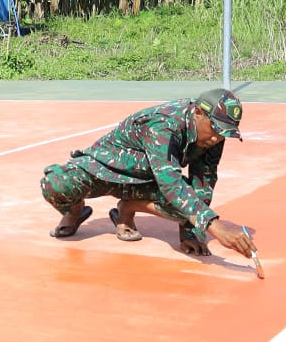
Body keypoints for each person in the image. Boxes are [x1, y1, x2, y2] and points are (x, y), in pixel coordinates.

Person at [39, 88, 258, 260]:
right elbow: (171, 184)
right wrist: (216, 228)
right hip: (104, 171)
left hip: (145, 180)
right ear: (198, 113)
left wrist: (192, 233)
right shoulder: (165, 125)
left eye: (224, 134)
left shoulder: (213, 136)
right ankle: (75, 211)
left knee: (191, 204)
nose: (216, 139)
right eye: (215, 129)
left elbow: (204, 183)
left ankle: (127, 208)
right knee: (55, 184)